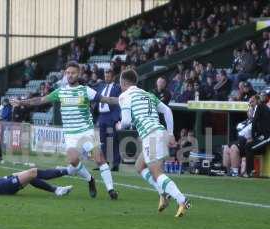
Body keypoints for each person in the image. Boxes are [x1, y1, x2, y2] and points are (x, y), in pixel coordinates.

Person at [10, 61, 119, 200]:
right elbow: (41, 100)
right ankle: (90, 180)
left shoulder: (86, 90)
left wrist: (123, 99)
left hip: (86, 132)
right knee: (73, 160)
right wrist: (22, 102)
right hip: (70, 135)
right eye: (68, 73)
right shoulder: (60, 91)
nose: (70, 75)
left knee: (99, 159)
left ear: (78, 74)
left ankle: (111, 190)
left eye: (73, 73)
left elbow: (106, 99)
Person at [114, 69, 190, 217]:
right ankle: (163, 193)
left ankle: (182, 200)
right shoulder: (148, 94)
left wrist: (119, 126)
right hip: (159, 132)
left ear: (123, 83)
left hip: (151, 135)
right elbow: (167, 111)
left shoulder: (124, 96)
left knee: (157, 173)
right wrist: (170, 133)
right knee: (139, 165)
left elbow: (127, 122)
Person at [94, 69, 122, 171]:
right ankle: (103, 163)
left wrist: (117, 118)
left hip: (111, 116)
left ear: (113, 77)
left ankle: (115, 163)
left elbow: (119, 103)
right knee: (102, 141)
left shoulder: (117, 88)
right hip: (102, 116)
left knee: (113, 140)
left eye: (108, 76)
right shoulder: (101, 86)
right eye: (105, 76)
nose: (106, 78)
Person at [244, 89, 270, 177]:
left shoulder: (261, 107)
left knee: (249, 146)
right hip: (262, 136)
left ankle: (249, 171)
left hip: (266, 136)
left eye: (253, 101)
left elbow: (254, 123)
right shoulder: (262, 107)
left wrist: (252, 137)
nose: (251, 103)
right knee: (248, 146)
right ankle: (250, 171)